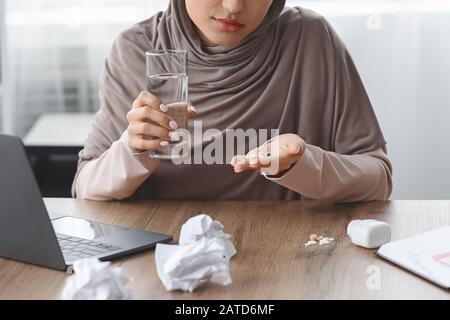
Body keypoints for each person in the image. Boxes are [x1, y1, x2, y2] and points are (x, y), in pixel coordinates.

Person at [72, 0, 392, 203]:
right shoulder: (136, 49)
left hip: (284, 259)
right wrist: (133, 150)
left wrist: (302, 164)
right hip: (163, 259)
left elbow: (378, 179)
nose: (234, 6)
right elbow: (85, 188)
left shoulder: (309, 39)